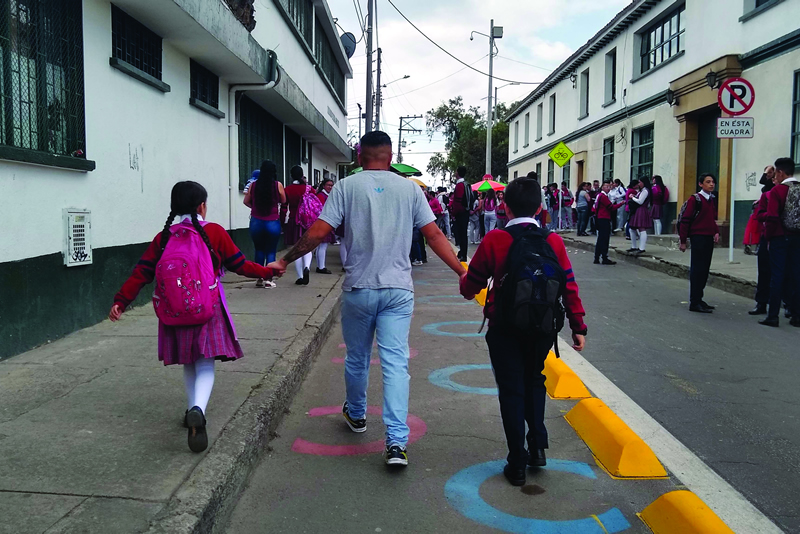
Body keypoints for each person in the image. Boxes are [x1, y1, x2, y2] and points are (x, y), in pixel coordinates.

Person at [268, 131, 467, 466]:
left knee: (358, 358)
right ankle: (396, 444)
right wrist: (462, 271)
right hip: (398, 291)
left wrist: (285, 260)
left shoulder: (347, 187)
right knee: (395, 365)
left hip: (359, 288)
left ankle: (357, 416)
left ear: (360, 157)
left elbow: (318, 231)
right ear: (390, 157)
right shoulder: (409, 190)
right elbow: (433, 235)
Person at [109, 181, 280, 453]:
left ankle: (192, 409)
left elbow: (141, 272)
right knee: (204, 363)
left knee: (189, 361)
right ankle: (198, 409)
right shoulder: (214, 232)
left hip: (173, 311)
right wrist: (267, 272)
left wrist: (121, 300)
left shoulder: (163, 237)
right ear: (202, 206)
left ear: (174, 208)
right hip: (206, 309)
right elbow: (240, 265)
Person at [459, 177, 587, 487]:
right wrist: (578, 326)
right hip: (543, 327)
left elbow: (469, 289)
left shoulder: (494, 240)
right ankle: (538, 447)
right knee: (534, 380)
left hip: (504, 327)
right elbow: (568, 285)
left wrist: (468, 277)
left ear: (504, 207)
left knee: (511, 389)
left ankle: (516, 460)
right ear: (541, 207)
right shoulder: (553, 241)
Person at [760, 157, 800, 327]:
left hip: (779, 237)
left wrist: (768, 237)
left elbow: (772, 217)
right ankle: (797, 315)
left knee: (777, 275)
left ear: (780, 172)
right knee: (796, 275)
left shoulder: (777, 191)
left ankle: (773, 316)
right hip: (797, 237)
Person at [679, 173, 720, 313]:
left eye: (713, 182)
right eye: (708, 182)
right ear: (701, 184)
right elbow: (685, 220)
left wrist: (716, 231)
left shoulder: (711, 199)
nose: (711, 184)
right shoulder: (694, 199)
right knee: (697, 269)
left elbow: (711, 218)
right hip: (698, 237)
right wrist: (683, 240)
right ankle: (694, 302)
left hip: (708, 237)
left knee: (704, 269)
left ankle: (699, 298)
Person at [243, 161, 286, 288]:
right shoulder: (277, 185)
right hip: (272, 221)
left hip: (256, 221)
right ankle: (269, 278)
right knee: (271, 250)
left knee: (259, 249)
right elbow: (284, 200)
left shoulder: (254, 185)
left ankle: (259, 277)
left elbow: (246, 201)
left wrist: (255, 207)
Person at [749, 167, 777, 315]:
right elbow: (760, 214)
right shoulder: (766, 193)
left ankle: (785, 304)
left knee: (781, 272)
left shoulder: (785, 192)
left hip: (779, 236)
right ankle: (762, 303)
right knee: (765, 270)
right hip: (767, 234)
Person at [283, 166, 316, 285]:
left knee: (296, 248)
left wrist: (282, 223)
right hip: (308, 221)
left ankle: (300, 276)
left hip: (294, 220)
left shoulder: (288, 190)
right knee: (307, 247)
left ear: (291, 175)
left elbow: (283, 208)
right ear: (303, 175)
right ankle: (307, 266)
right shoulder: (309, 188)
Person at [593, 181, 621, 265]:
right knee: (604, 239)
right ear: (602, 187)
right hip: (604, 218)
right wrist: (621, 204)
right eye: (607, 186)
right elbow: (611, 207)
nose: (609, 188)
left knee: (600, 238)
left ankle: (597, 257)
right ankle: (604, 257)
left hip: (600, 218)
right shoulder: (603, 197)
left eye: (609, 187)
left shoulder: (599, 196)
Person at [314, 178, 336, 274]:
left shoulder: (325, 195)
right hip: (323, 221)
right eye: (328, 185)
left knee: (321, 246)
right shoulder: (321, 196)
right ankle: (321, 267)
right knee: (322, 245)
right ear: (324, 186)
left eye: (332, 185)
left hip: (325, 221)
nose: (330, 187)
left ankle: (320, 265)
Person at [449, 166, 471, 262]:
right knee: (463, 233)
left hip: (460, 212)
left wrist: (453, 212)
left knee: (462, 233)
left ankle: (463, 254)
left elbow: (458, 201)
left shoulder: (460, 185)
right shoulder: (466, 184)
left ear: (457, 173)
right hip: (465, 211)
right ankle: (462, 252)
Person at [628, 176, 653, 255]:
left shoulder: (645, 191)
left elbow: (640, 201)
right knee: (632, 228)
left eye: (640, 182)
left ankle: (642, 248)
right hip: (637, 210)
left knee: (641, 228)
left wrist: (632, 197)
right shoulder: (641, 191)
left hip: (641, 210)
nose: (638, 184)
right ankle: (634, 246)